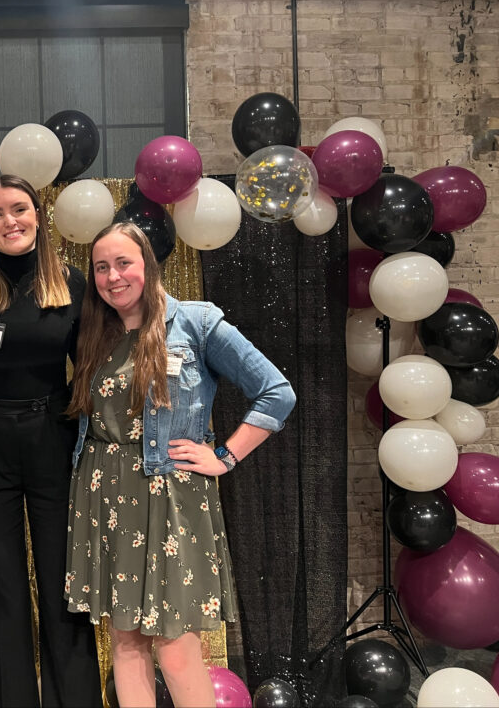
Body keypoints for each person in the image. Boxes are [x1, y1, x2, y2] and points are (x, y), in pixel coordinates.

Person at [64, 222, 296, 707]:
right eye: (101, 267)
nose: (112, 277)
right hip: (105, 495)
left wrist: (225, 456)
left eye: (123, 263)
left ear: (147, 264)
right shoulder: (93, 333)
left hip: (170, 497)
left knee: (175, 647)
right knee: (126, 642)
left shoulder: (196, 322)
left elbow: (277, 393)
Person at [0, 174, 102, 707]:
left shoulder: (71, 282)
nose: (9, 221)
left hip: (52, 438)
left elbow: (91, 366)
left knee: (65, 582)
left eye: (19, 209)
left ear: (39, 216)